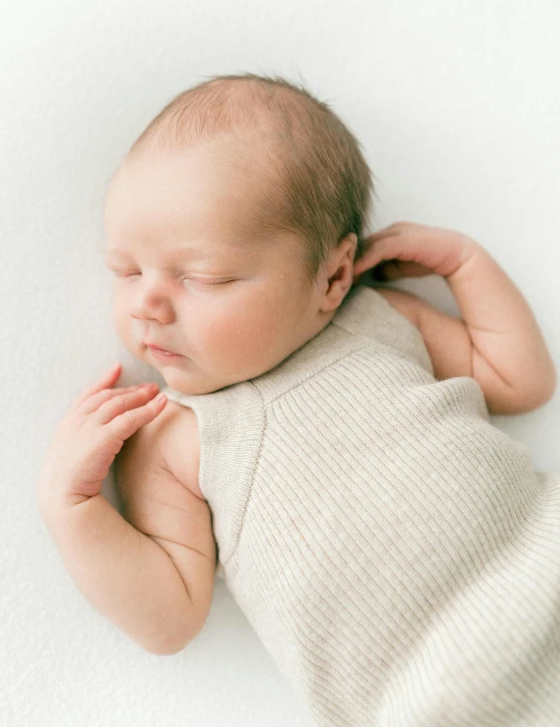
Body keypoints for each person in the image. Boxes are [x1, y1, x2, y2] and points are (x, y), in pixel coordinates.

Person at [38, 73, 559, 726]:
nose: (146, 300)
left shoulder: (378, 318)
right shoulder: (173, 434)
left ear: (334, 276)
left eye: (203, 276)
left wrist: (465, 265)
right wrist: (73, 508)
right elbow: (170, 615)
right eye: (127, 270)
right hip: (437, 698)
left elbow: (519, 379)